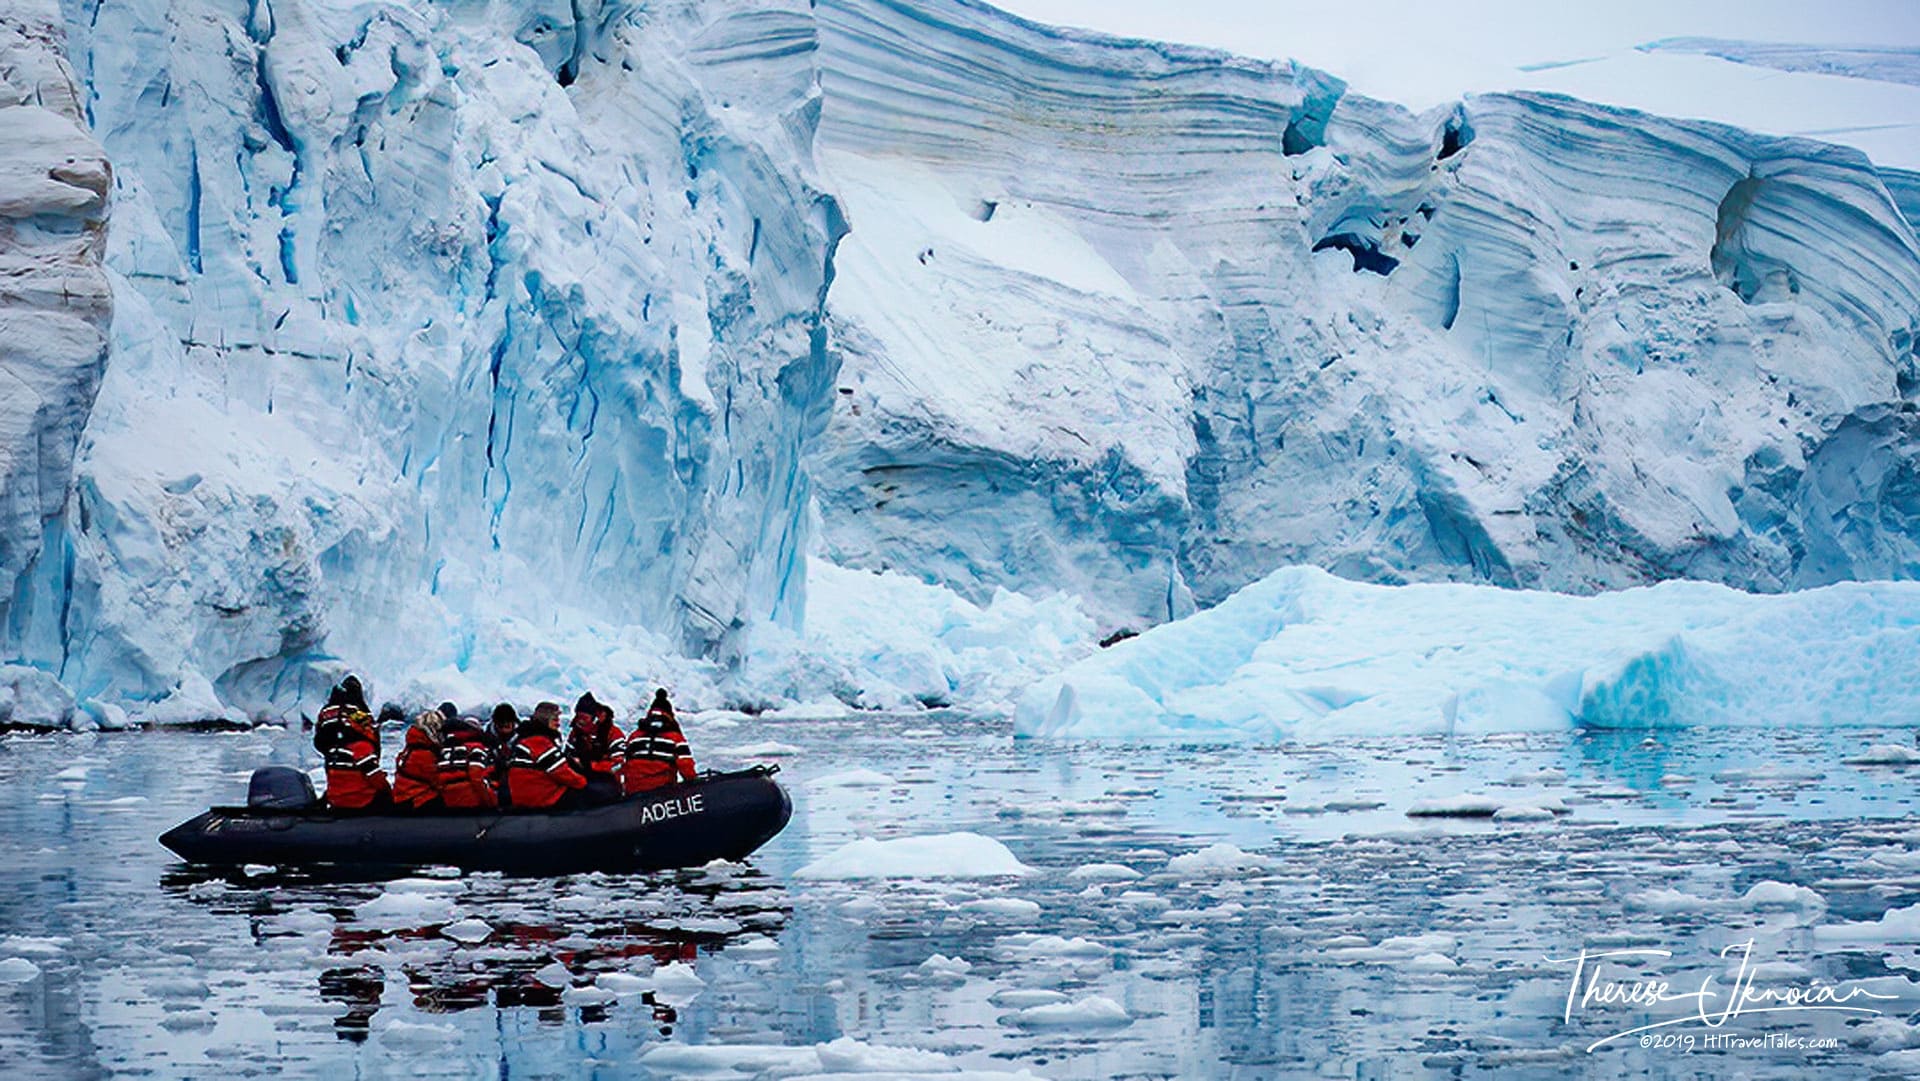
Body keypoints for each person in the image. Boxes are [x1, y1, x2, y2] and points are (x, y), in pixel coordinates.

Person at [313, 676, 389, 810]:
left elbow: (319, 737)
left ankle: (334, 794)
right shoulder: (361, 743)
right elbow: (374, 776)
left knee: (337, 771)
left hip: (333, 754)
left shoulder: (328, 710)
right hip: (360, 798)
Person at [507, 701, 588, 810]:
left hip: (526, 793)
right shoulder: (538, 741)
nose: (558, 724)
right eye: (555, 720)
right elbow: (559, 771)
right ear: (545, 720)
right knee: (590, 794)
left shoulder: (526, 737)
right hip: (540, 796)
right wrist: (583, 782)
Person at [621, 688, 697, 794]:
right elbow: (686, 765)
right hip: (661, 790)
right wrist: (694, 784)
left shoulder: (634, 736)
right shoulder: (675, 737)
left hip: (633, 790)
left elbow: (624, 762)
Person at [566, 692, 625, 805]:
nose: (580, 720)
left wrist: (591, 766)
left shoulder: (613, 733)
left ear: (594, 718)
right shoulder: (575, 734)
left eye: (584, 717)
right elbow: (568, 757)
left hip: (608, 783)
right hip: (582, 782)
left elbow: (619, 765)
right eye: (578, 716)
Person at [439, 711, 499, 810]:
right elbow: (477, 778)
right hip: (469, 802)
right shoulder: (475, 747)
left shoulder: (445, 748)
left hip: (446, 802)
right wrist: (492, 803)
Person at [391, 710, 446, 810]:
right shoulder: (424, 754)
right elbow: (436, 781)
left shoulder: (410, 749)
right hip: (417, 799)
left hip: (402, 796)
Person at [487, 703, 520, 806]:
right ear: (495, 724)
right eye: (502, 725)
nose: (505, 728)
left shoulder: (523, 736)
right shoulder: (486, 738)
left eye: (508, 725)